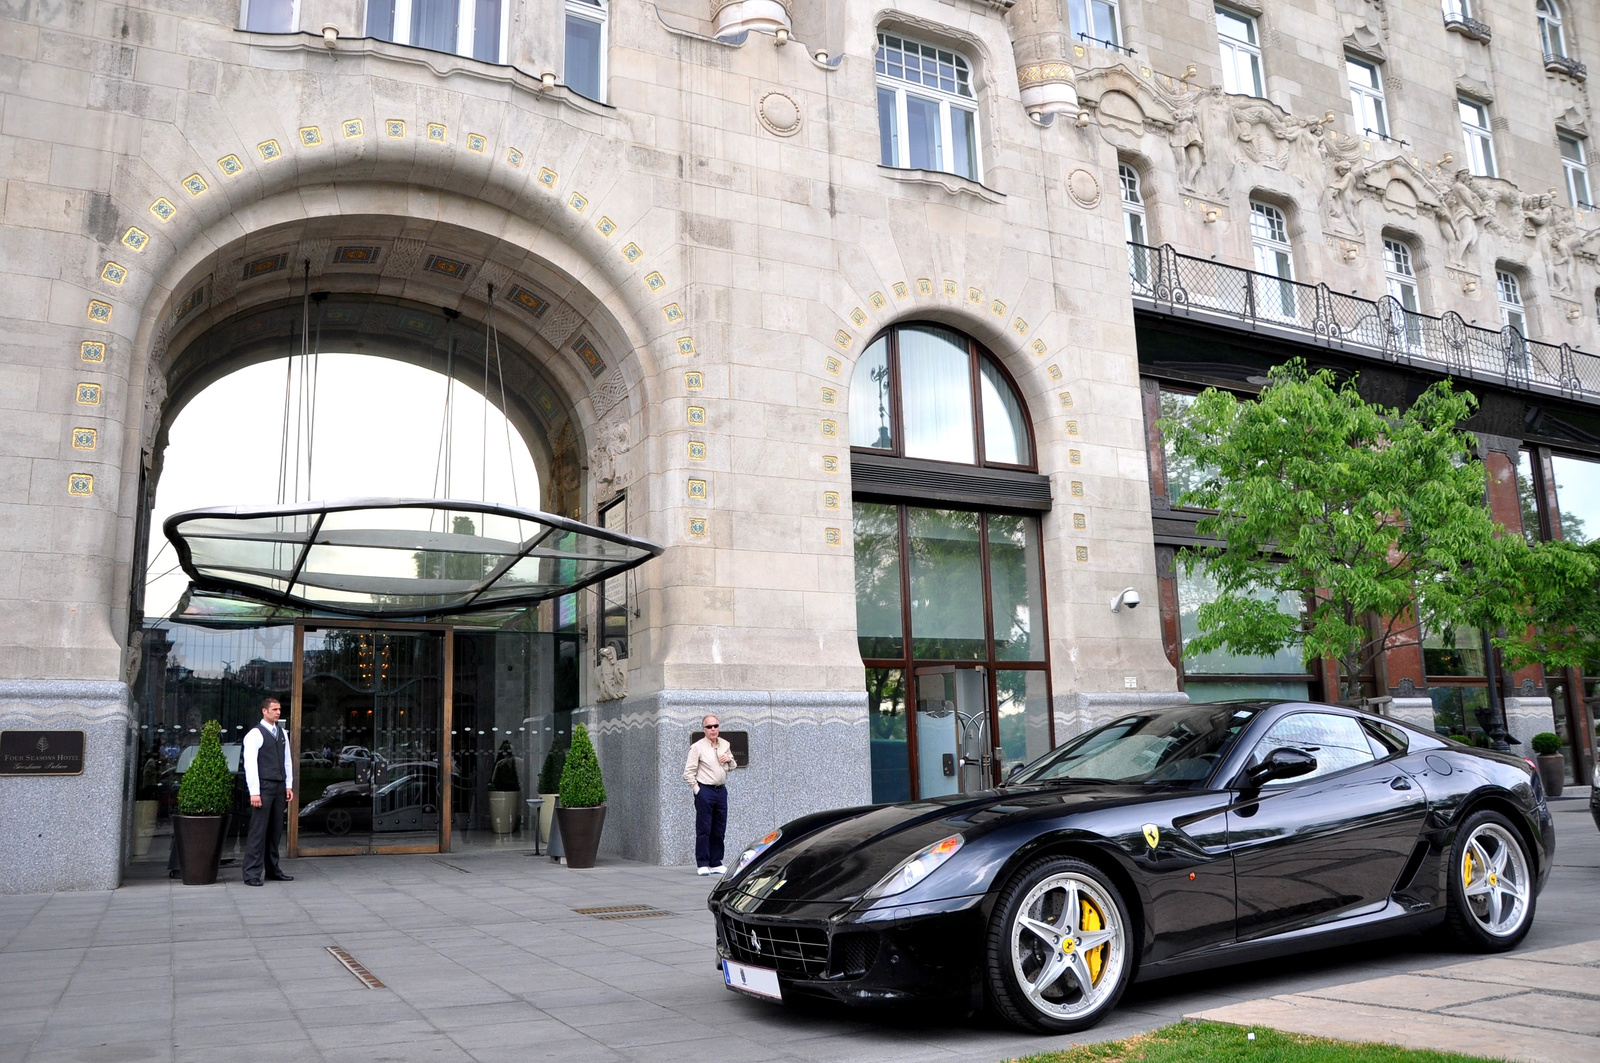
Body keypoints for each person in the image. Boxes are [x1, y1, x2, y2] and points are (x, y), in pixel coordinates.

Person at [242, 697, 295, 886]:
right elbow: (250, 765)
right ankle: (252, 873)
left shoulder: (282, 733)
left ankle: (273, 870)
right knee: (258, 831)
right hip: (264, 786)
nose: (278, 712)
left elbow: (287, 760)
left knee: (275, 831)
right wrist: (254, 792)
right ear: (264, 711)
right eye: (274, 709)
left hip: (279, 786)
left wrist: (288, 785)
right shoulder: (254, 734)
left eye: (279, 709)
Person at [683, 715, 735, 876]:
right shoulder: (697, 747)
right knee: (704, 828)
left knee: (719, 828)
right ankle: (703, 863)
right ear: (704, 729)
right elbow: (688, 772)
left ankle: (716, 862)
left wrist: (728, 759)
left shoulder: (725, 744)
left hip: (721, 790)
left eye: (715, 726)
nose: (713, 729)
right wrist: (697, 790)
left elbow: (733, 765)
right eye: (709, 727)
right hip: (705, 790)